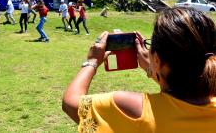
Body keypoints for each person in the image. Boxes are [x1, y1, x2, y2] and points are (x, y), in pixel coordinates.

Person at [62, 7, 216, 133]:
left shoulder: (132, 109)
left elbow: (70, 103)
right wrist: (152, 69)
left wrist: (92, 61)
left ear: (157, 58)